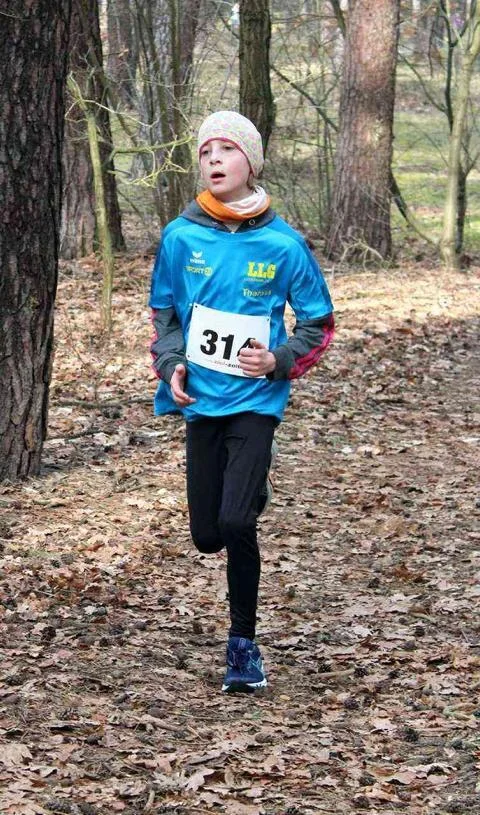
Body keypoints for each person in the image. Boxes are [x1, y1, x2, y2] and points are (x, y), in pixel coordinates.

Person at [149, 110, 334, 693]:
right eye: (206, 152)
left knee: (236, 522)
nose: (214, 160)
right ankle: (247, 491)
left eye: (226, 150)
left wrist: (278, 360)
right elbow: (165, 314)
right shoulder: (180, 237)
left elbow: (318, 323)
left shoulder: (284, 245)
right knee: (207, 534)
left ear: (251, 163)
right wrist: (171, 363)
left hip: (257, 401)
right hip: (202, 401)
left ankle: (243, 646)